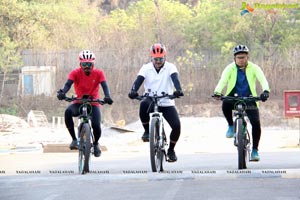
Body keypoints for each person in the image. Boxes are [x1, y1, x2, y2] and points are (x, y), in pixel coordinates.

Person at [213, 44, 270, 161]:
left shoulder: (254, 68)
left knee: (256, 123)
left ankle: (255, 150)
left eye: (243, 57)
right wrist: (217, 92)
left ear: (247, 57)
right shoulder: (229, 68)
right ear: (234, 58)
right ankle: (230, 126)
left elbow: (263, 80)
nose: (241, 60)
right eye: (239, 57)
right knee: (225, 105)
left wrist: (265, 91)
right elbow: (222, 81)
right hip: (233, 97)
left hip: (250, 99)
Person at [128, 43, 184, 162]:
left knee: (177, 126)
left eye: (160, 59)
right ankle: (147, 131)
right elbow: (138, 80)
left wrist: (178, 90)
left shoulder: (171, 67)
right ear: (151, 58)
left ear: (165, 57)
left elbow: (175, 79)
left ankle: (171, 150)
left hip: (166, 100)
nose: (158, 61)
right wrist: (133, 91)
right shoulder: (146, 68)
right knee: (143, 103)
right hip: (151, 99)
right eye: (155, 59)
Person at [57, 50, 113, 157]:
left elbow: (105, 86)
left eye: (89, 64)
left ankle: (96, 144)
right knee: (68, 112)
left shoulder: (99, 73)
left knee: (96, 126)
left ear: (93, 64)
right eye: (84, 64)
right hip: (79, 102)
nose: (87, 66)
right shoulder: (75, 73)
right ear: (80, 64)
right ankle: (74, 139)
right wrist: (62, 92)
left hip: (93, 103)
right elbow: (68, 84)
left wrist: (107, 96)